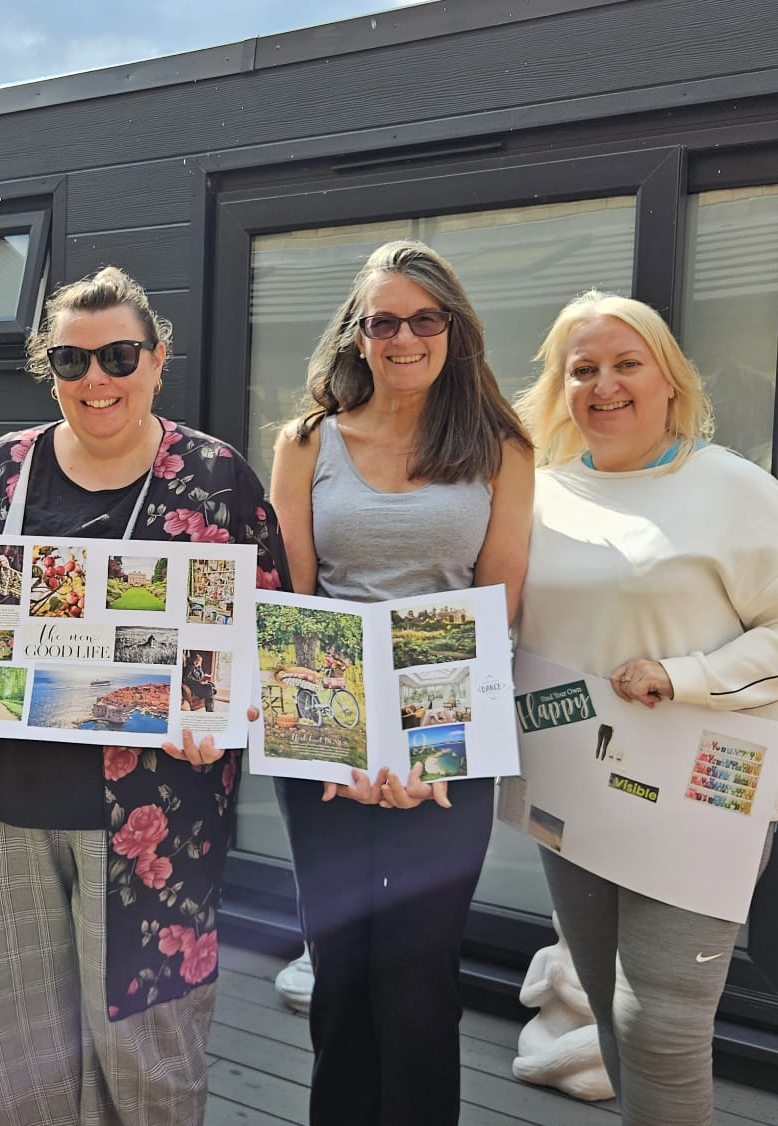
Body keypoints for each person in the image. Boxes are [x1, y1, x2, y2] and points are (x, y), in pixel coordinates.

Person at [0, 266, 286, 1126]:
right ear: (51, 369)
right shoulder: (3, 469)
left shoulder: (216, 478)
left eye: (118, 356)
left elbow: (263, 634)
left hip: (160, 814)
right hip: (9, 808)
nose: (96, 378)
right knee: (21, 1052)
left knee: (149, 1057)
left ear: (157, 359)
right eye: (71, 360)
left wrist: (223, 714)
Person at [514, 290, 778, 1126]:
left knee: (659, 1024)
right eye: (582, 369)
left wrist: (686, 675)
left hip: (699, 793)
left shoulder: (730, 486)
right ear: (561, 387)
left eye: (626, 364)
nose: (604, 385)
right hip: (574, 789)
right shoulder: (535, 495)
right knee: (606, 1006)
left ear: (669, 379)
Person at [267, 240, 533, 1126]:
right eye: (384, 321)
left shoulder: (501, 448)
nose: (405, 338)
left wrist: (426, 750)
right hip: (326, 732)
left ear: (454, 330)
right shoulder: (306, 443)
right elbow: (296, 608)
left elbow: (493, 610)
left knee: (418, 978)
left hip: (448, 739)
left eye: (425, 319)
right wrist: (342, 748)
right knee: (341, 972)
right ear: (358, 334)